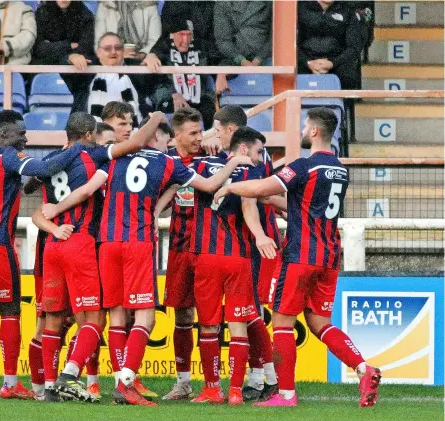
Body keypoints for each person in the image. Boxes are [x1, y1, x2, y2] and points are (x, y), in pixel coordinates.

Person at [43, 113, 251, 406]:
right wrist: (233, 162)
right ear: (159, 137)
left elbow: (86, 191)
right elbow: (210, 185)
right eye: (166, 137)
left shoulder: (113, 159)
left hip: (107, 242)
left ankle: (86, 375)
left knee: (115, 315)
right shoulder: (168, 163)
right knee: (145, 317)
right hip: (137, 242)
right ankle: (126, 382)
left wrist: (55, 210)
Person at [214, 108, 381, 407]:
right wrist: (273, 198)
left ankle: (286, 394)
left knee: (281, 323)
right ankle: (363, 369)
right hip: (329, 256)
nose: (303, 130)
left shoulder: (304, 166)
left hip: (300, 255)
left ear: (315, 131)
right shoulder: (341, 170)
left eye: (305, 126)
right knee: (319, 322)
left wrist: (230, 186)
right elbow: (305, 204)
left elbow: (263, 187)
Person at [31, 111, 170, 403]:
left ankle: (48, 387)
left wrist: (53, 225)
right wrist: (156, 118)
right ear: (89, 135)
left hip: (52, 245)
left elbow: (34, 202)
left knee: (53, 321)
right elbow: (134, 146)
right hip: (82, 242)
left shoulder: (49, 162)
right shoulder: (94, 156)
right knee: (95, 320)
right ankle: (72, 378)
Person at [0, 110, 84, 401]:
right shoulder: (7, 156)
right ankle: (11, 383)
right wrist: (76, 149)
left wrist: (30, 181)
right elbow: (44, 168)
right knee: (10, 312)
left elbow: (12, 181)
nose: (25, 137)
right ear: (2, 134)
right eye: (20, 133)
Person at [158, 127, 276, 406]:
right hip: (239, 257)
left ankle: (213, 388)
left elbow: (175, 185)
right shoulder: (252, 172)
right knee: (239, 324)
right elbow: (249, 207)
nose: (261, 157)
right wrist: (260, 236)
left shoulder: (197, 165)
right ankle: (237, 390)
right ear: (244, 148)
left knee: (208, 326)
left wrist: (153, 213)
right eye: (259, 151)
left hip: (205, 257)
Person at [213, 105, 279, 400]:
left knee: (252, 311)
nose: (212, 137)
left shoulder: (252, 162)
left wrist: (261, 234)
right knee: (249, 311)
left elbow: (255, 200)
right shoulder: (241, 159)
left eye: (216, 130)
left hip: (256, 245)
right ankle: (258, 376)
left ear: (230, 131)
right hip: (243, 246)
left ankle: (269, 377)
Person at [143, 20, 218, 129]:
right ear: (171, 35)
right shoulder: (163, 48)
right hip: (171, 97)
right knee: (170, 110)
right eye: (181, 35)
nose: (185, 40)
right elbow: (155, 81)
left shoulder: (201, 46)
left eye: (189, 35)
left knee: (207, 109)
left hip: (199, 97)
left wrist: (222, 74)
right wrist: (150, 56)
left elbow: (220, 60)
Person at [63, 33, 153, 123]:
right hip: (92, 133)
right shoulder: (87, 69)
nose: (113, 52)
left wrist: (152, 58)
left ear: (123, 51)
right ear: (98, 52)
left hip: (134, 133)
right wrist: (70, 57)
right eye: (107, 48)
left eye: (117, 48)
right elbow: (57, 58)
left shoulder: (137, 69)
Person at [297, 0, 368, 90]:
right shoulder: (299, 8)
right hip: (305, 62)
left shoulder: (348, 10)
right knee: (291, 72)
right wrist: (308, 62)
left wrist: (332, 63)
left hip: (337, 63)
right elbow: (288, 43)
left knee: (348, 75)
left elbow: (354, 47)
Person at [32, 0, 94, 65]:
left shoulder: (84, 14)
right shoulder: (42, 13)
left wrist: (54, 46)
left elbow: (86, 46)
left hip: (75, 64)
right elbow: (39, 49)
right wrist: (69, 46)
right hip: (47, 63)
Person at [94, 1, 161, 60]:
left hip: (142, 61)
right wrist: (117, 54)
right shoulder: (104, 5)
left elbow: (155, 41)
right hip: (111, 62)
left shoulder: (150, 5)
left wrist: (142, 54)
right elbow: (98, 43)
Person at [214, 1, 272, 67]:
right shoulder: (223, 4)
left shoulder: (269, 3)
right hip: (234, 58)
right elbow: (223, 40)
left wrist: (258, 60)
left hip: (265, 57)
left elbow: (274, 37)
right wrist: (241, 60)